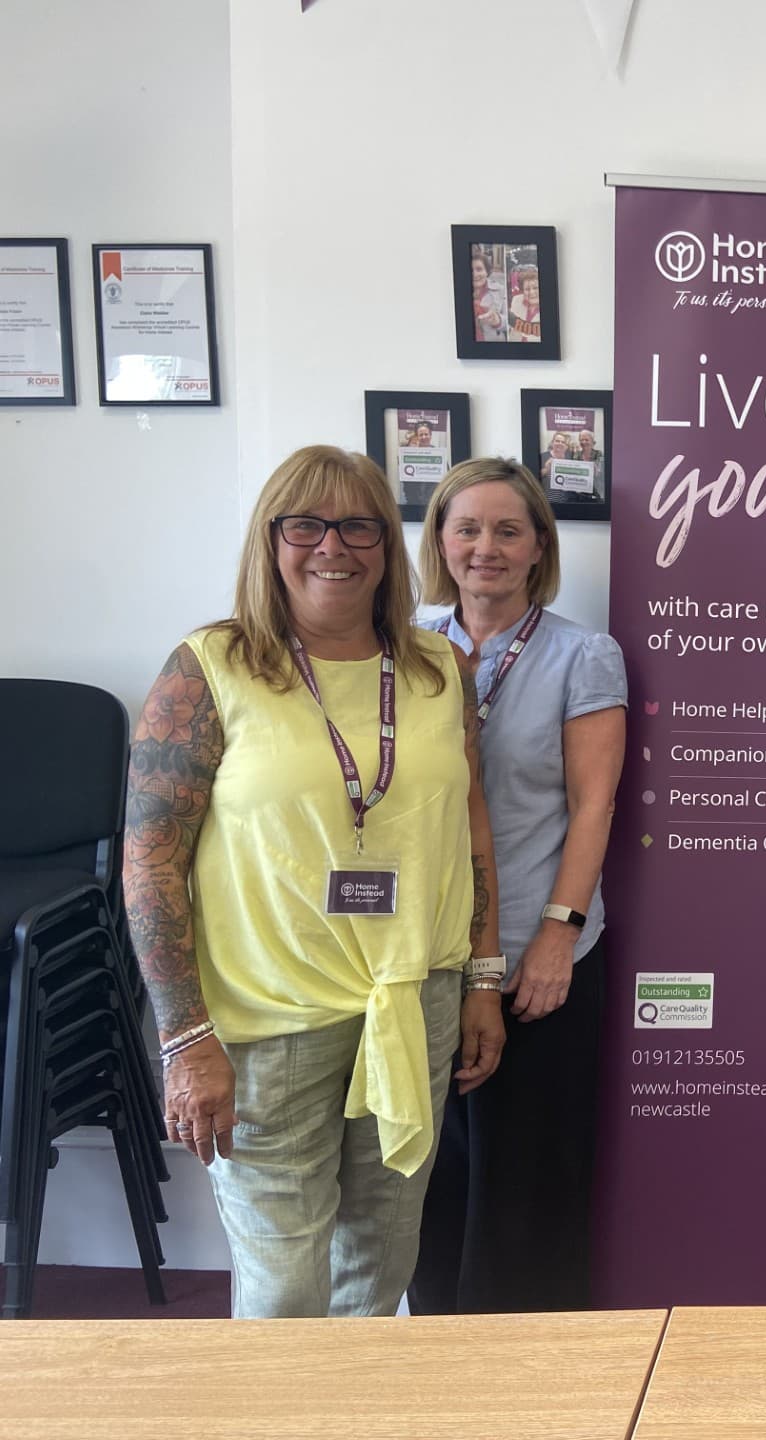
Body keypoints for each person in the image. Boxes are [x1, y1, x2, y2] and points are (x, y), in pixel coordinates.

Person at [122, 445, 504, 1319]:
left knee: (381, 1260)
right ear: (271, 540)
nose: (332, 546)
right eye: (306, 524)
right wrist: (184, 1038)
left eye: (358, 525)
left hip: (413, 1002)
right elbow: (150, 857)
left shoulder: (439, 669)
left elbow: (470, 826)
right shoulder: (209, 668)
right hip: (267, 1019)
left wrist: (483, 978)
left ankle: (355, 1397)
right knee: (285, 1285)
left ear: (387, 544)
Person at [408, 457, 628, 1314]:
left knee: (525, 1195)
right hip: (427, 958)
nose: (485, 548)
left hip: (539, 956)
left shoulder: (582, 655)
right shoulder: (406, 647)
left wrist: (557, 937)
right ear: (440, 541)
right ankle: (438, 1360)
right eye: (467, 528)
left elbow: (594, 805)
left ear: (540, 545)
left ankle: (538, 1372)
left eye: (508, 530)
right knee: (430, 1187)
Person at [470, 251, 506, 343]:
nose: (474, 274)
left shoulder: (501, 290)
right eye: (471, 270)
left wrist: (498, 321)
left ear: (487, 271)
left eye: (479, 269)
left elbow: (510, 324)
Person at [508, 268, 540, 342]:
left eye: (535, 288)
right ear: (523, 290)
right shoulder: (516, 300)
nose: (531, 292)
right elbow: (511, 328)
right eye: (527, 289)